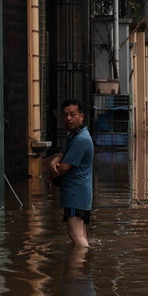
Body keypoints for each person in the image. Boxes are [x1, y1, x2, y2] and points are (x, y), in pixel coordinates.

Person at [48, 99, 94, 248]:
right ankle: (84, 267)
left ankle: (77, 269)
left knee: (76, 235)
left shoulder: (80, 139)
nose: (68, 118)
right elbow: (62, 154)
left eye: (72, 114)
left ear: (81, 116)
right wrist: (55, 159)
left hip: (76, 194)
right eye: (65, 115)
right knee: (81, 234)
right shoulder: (75, 135)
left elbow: (64, 168)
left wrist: (49, 178)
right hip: (80, 193)